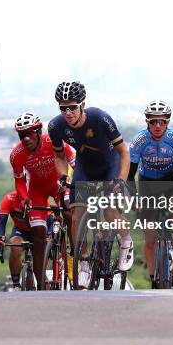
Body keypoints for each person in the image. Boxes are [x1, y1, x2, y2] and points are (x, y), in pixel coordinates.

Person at [47, 81, 133, 286]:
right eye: (63, 108)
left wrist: (120, 180)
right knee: (76, 218)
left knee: (111, 210)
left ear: (82, 104)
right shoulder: (55, 126)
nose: (67, 112)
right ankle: (83, 262)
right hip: (85, 169)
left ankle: (126, 241)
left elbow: (123, 152)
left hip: (109, 166)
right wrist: (62, 176)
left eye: (72, 107)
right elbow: (59, 157)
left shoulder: (100, 118)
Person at [128, 99, 173, 287]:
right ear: (147, 122)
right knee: (150, 240)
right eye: (153, 121)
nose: (158, 126)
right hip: (147, 183)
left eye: (162, 121)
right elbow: (129, 175)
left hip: (170, 180)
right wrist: (135, 199)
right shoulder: (138, 141)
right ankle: (154, 279)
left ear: (168, 122)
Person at [9, 112, 75, 289]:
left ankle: (74, 248)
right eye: (22, 135)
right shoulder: (17, 154)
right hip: (37, 190)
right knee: (38, 233)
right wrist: (24, 199)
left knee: (69, 209)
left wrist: (74, 183)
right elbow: (20, 180)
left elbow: (75, 163)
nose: (26, 138)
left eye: (30, 133)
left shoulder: (53, 141)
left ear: (39, 131)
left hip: (58, 183)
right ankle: (41, 282)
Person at [0, 191, 33, 290]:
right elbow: (1, 223)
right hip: (20, 230)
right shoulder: (9, 198)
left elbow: (50, 218)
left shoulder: (37, 197)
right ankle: (16, 283)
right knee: (15, 246)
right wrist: (1, 237)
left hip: (38, 231)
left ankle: (41, 277)